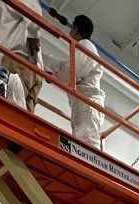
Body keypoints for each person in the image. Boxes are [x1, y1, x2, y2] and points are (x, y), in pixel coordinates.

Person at [45, 15, 105, 148]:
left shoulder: (86, 45)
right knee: (83, 144)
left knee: (88, 148)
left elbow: (73, 71)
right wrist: (49, 65)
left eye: (71, 27)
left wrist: (55, 78)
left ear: (75, 29)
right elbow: (67, 65)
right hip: (83, 104)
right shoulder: (83, 49)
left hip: (87, 104)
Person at [0, 2, 43, 111]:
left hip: (19, 63)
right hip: (35, 71)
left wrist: (33, 36)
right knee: (24, 121)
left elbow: (31, 9)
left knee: (10, 113)